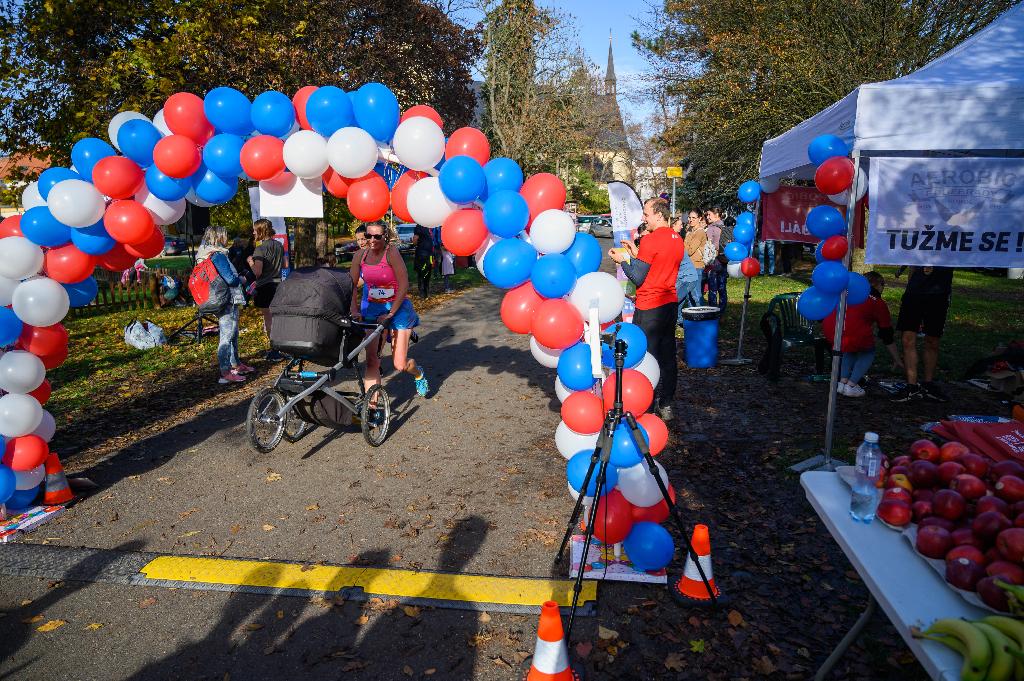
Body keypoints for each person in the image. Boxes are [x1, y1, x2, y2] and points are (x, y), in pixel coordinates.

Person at [609, 198, 685, 421]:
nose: (644, 218)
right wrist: (635, 253)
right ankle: (667, 403)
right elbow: (658, 265)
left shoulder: (651, 239)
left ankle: (648, 406)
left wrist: (622, 260)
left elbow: (638, 277)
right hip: (669, 303)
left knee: (646, 358)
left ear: (659, 215)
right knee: (668, 355)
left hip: (649, 306)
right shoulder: (677, 239)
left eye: (647, 214)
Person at [348, 222, 429, 398]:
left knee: (400, 364)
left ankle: (418, 373)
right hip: (373, 310)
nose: (372, 240)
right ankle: (372, 409)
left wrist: (391, 313)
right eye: (368, 236)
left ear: (385, 236)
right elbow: (351, 286)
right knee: (371, 361)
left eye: (377, 236)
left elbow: (403, 284)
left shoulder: (391, 253)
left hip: (397, 310)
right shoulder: (359, 256)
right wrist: (354, 310)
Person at [822, 271, 903, 397]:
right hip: (854, 333)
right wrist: (896, 358)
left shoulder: (846, 293)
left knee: (850, 350)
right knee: (868, 352)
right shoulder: (877, 302)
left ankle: (842, 383)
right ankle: (851, 385)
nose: (883, 289)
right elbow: (886, 334)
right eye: (883, 285)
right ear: (877, 285)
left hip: (832, 330)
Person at [196, 226, 253, 384]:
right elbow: (230, 279)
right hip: (228, 299)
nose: (227, 238)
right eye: (225, 235)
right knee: (227, 335)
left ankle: (236, 363)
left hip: (220, 297)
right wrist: (241, 279)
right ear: (218, 237)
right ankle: (226, 371)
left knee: (232, 332)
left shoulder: (204, 254)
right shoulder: (218, 255)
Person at [891, 265, 954, 403]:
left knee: (932, 340)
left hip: (939, 293)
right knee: (907, 339)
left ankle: (928, 385)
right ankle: (911, 386)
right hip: (914, 293)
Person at [247, 218, 285, 361]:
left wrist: (251, 261)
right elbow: (285, 263)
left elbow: (257, 271)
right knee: (276, 318)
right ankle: (281, 347)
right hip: (278, 284)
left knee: (268, 319)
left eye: (255, 230)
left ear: (261, 231)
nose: (253, 232)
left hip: (265, 286)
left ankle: (275, 351)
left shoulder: (260, 249)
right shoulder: (279, 246)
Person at [703, 209, 730, 313]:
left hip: (714, 261)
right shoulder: (725, 226)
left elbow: (708, 245)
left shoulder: (711, 228)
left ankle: (713, 312)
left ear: (716, 214)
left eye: (709, 214)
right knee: (722, 288)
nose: (707, 217)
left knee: (713, 289)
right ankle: (722, 311)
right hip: (724, 259)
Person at [412, 223, 435, 299]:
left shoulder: (429, 226)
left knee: (428, 273)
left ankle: (427, 292)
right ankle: (422, 293)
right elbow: (415, 239)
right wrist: (415, 244)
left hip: (430, 255)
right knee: (422, 273)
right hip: (422, 254)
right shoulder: (419, 226)